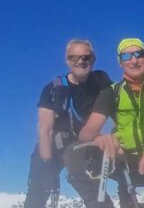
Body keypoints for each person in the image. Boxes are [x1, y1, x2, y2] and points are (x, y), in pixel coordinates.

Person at [64, 38, 144, 208]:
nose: (134, 60)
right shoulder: (112, 93)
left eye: (139, 54)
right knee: (74, 153)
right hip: (125, 161)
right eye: (127, 56)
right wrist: (101, 138)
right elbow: (87, 132)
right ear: (120, 62)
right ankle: (103, 204)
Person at [23, 39, 112, 208]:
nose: (80, 61)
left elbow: (119, 105)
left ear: (93, 59)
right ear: (67, 60)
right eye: (74, 57)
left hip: (83, 145)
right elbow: (45, 129)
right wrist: (47, 163)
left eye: (85, 57)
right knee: (40, 186)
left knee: (90, 187)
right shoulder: (54, 88)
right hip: (53, 145)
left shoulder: (101, 81)